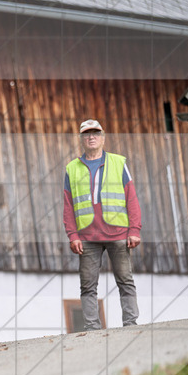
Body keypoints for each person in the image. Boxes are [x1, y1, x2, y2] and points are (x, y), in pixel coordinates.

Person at [63, 120, 141, 330]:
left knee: (125, 281)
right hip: (87, 237)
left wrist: (134, 230)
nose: (91, 137)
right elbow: (68, 205)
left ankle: (131, 324)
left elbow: (131, 197)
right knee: (87, 286)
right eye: (86, 134)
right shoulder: (71, 168)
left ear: (103, 138)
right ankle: (92, 329)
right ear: (81, 139)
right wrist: (73, 235)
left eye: (95, 133)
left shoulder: (118, 162)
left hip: (118, 233)